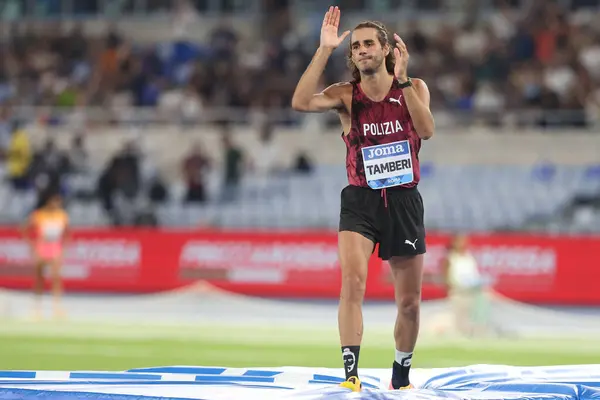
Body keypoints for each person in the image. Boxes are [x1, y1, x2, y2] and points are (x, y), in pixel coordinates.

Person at [291, 6, 435, 392]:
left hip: (403, 201)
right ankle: (351, 377)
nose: (362, 50)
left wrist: (403, 81)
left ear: (387, 49)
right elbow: (301, 102)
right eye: (356, 46)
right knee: (353, 283)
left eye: (370, 43)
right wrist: (324, 49)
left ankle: (400, 374)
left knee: (409, 303)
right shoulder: (345, 97)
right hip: (360, 200)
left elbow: (427, 131)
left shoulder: (414, 88)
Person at [21, 191, 70, 319]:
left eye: (59, 202)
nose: (57, 204)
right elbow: (24, 228)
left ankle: (57, 307)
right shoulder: (39, 215)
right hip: (42, 247)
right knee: (39, 278)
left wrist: (63, 248)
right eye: (55, 201)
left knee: (56, 278)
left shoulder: (62, 216)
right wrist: (32, 245)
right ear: (48, 201)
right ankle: (37, 308)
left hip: (55, 248)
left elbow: (67, 233)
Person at [442, 234, 490, 337]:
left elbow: (474, 273)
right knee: (459, 317)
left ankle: (473, 335)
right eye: (459, 241)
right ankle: (459, 337)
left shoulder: (469, 257)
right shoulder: (450, 258)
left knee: (472, 317)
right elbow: (446, 277)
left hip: (472, 292)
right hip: (458, 292)